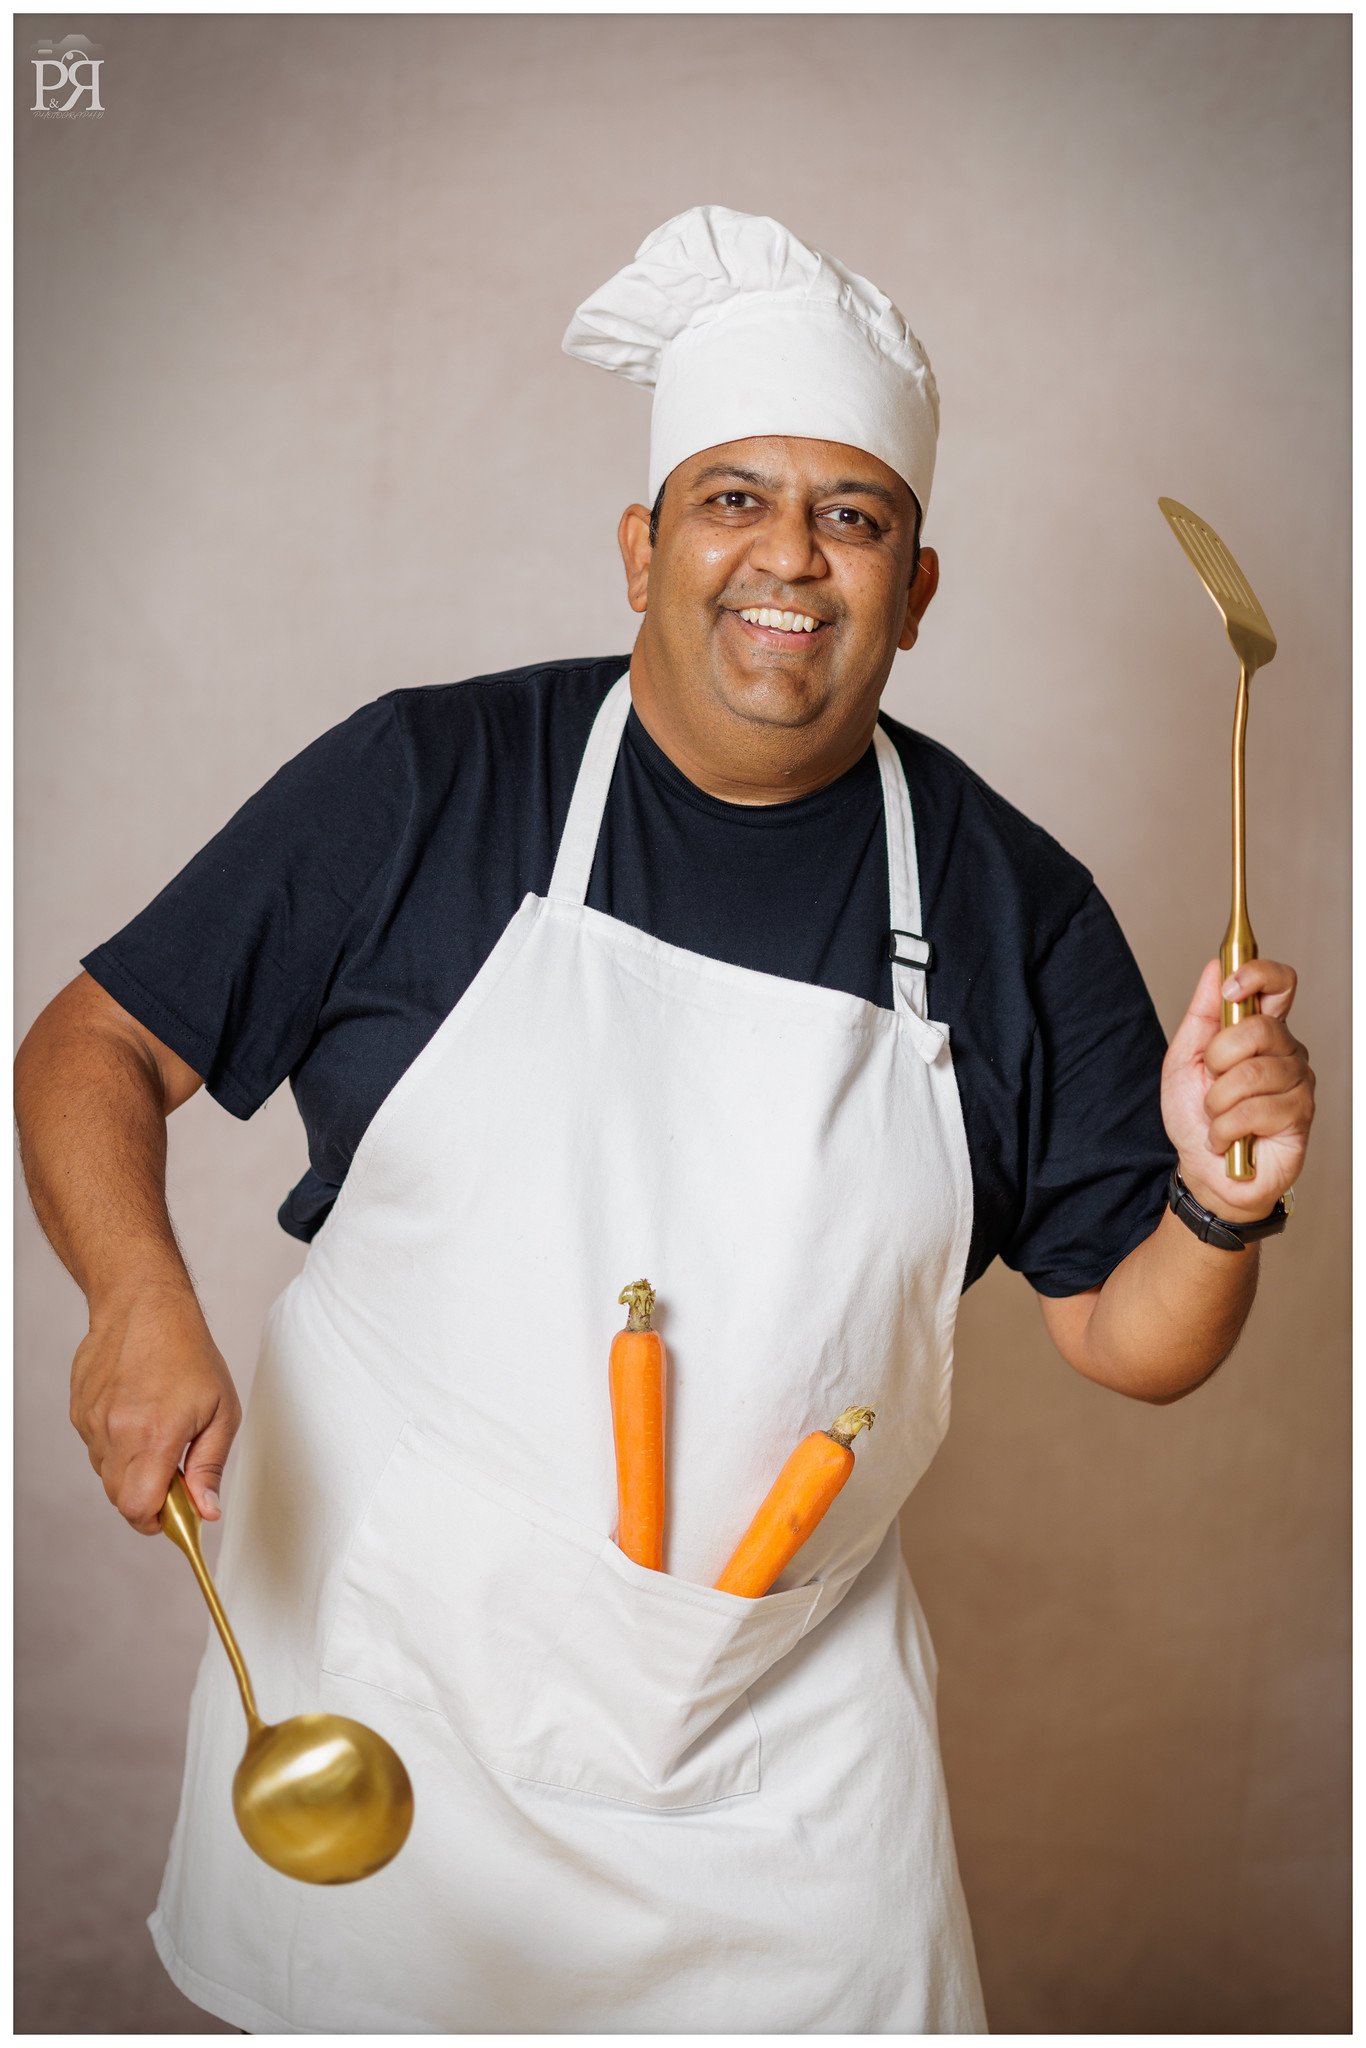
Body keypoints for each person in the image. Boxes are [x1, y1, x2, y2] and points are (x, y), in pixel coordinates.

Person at [15, 205, 1315, 2034]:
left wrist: (1218, 1196)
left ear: (917, 588)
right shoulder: (428, 781)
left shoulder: (1015, 905)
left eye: (851, 517)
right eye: (732, 499)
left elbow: (1129, 1334)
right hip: (396, 1714)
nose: (788, 560)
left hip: (785, 1759)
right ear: (640, 545)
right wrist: (134, 1298)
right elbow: (90, 1045)